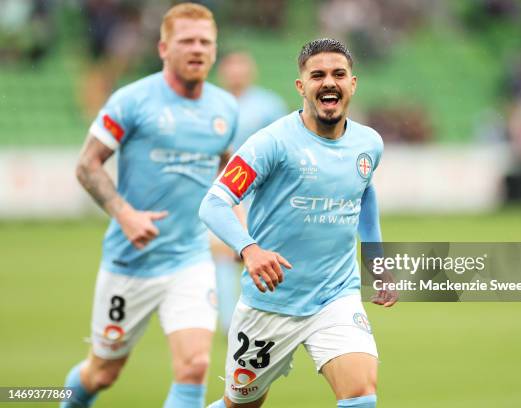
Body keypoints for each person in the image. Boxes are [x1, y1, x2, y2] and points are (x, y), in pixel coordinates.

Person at [201, 38, 397, 408]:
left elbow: (365, 194)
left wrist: (378, 264)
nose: (329, 82)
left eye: (339, 74)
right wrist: (250, 249)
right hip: (271, 303)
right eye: (317, 75)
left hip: (335, 295)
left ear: (352, 84)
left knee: (361, 395)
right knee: (241, 405)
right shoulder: (271, 143)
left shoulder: (368, 143)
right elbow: (213, 204)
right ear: (301, 86)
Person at [62, 3, 237, 407]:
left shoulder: (224, 108)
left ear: (214, 49)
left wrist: (239, 231)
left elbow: (228, 176)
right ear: (163, 48)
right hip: (131, 262)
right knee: (102, 373)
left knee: (194, 365)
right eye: (187, 41)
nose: (197, 49)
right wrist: (124, 214)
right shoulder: (132, 100)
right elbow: (87, 165)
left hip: (190, 259)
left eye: (205, 42)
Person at [212, 51, 288, 334]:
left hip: (258, 192)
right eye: (231, 68)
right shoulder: (212, 105)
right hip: (224, 191)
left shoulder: (268, 105)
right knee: (222, 254)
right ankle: (229, 320)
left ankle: (265, 313)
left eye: (241, 67)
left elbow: (283, 146)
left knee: (260, 253)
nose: (236, 74)